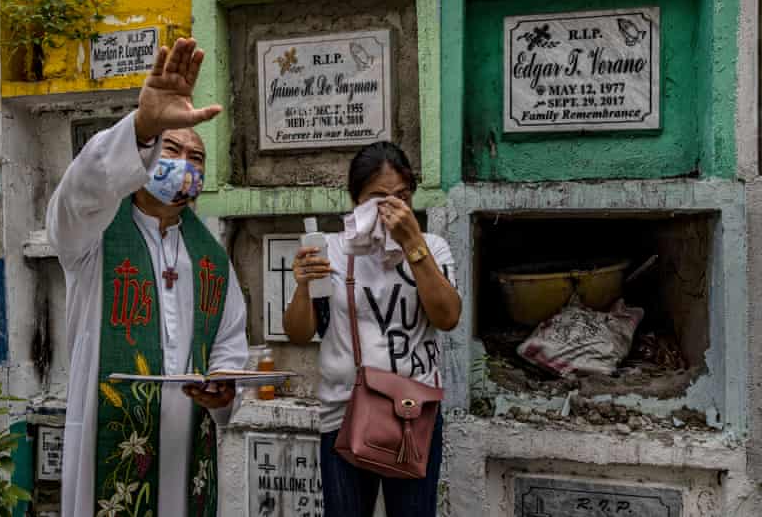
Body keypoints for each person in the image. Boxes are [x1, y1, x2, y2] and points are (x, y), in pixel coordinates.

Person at [47, 38, 248, 517]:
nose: (184, 164)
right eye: (170, 147)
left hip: (185, 452)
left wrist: (224, 384)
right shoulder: (93, 236)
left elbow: (229, 342)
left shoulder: (211, 259)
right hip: (108, 441)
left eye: (196, 157)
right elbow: (78, 193)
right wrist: (143, 126)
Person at [283, 142, 461, 517]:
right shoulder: (331, 250)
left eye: (401, 196)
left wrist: (412, 243)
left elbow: (447, 317)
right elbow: (299, 333)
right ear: (354, 201)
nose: (390, 208)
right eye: (378, 198)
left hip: (413, 413)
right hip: (344, 412)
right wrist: (302, 286)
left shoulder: (434, 248)